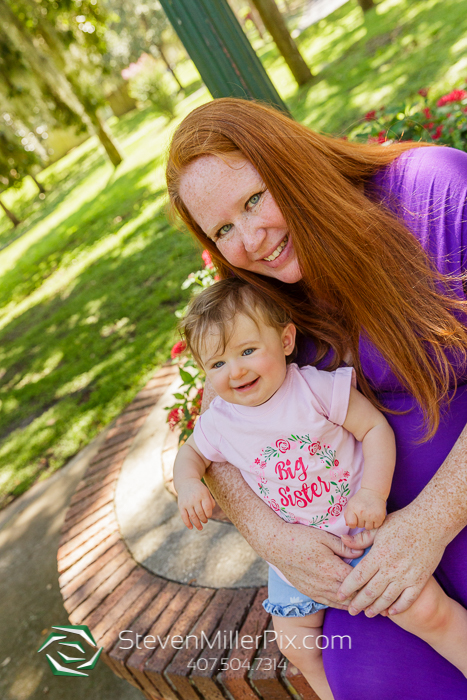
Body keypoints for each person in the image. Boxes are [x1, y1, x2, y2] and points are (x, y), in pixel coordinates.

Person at [165, 97, 467, 699]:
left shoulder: (433, 192)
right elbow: (215, 444)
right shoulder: (262, 305)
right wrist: (276, 539)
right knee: (368, 681)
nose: (251, 240)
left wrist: (432, 521)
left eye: (254, 199)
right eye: (222, 229)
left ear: (291, 161)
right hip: (380, 550)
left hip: (439, 521)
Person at [173, 278, 467, 700]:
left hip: (358, 532)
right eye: (216, 364)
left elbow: (373, 428)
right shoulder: (221, 421)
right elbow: (191, 455)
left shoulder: (312, 389)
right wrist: (187, 484)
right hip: (300, 551)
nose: (235, 371)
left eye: (248, 351)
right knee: (294, 641)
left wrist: (372, 494)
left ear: (286, 339)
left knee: (423, 609)